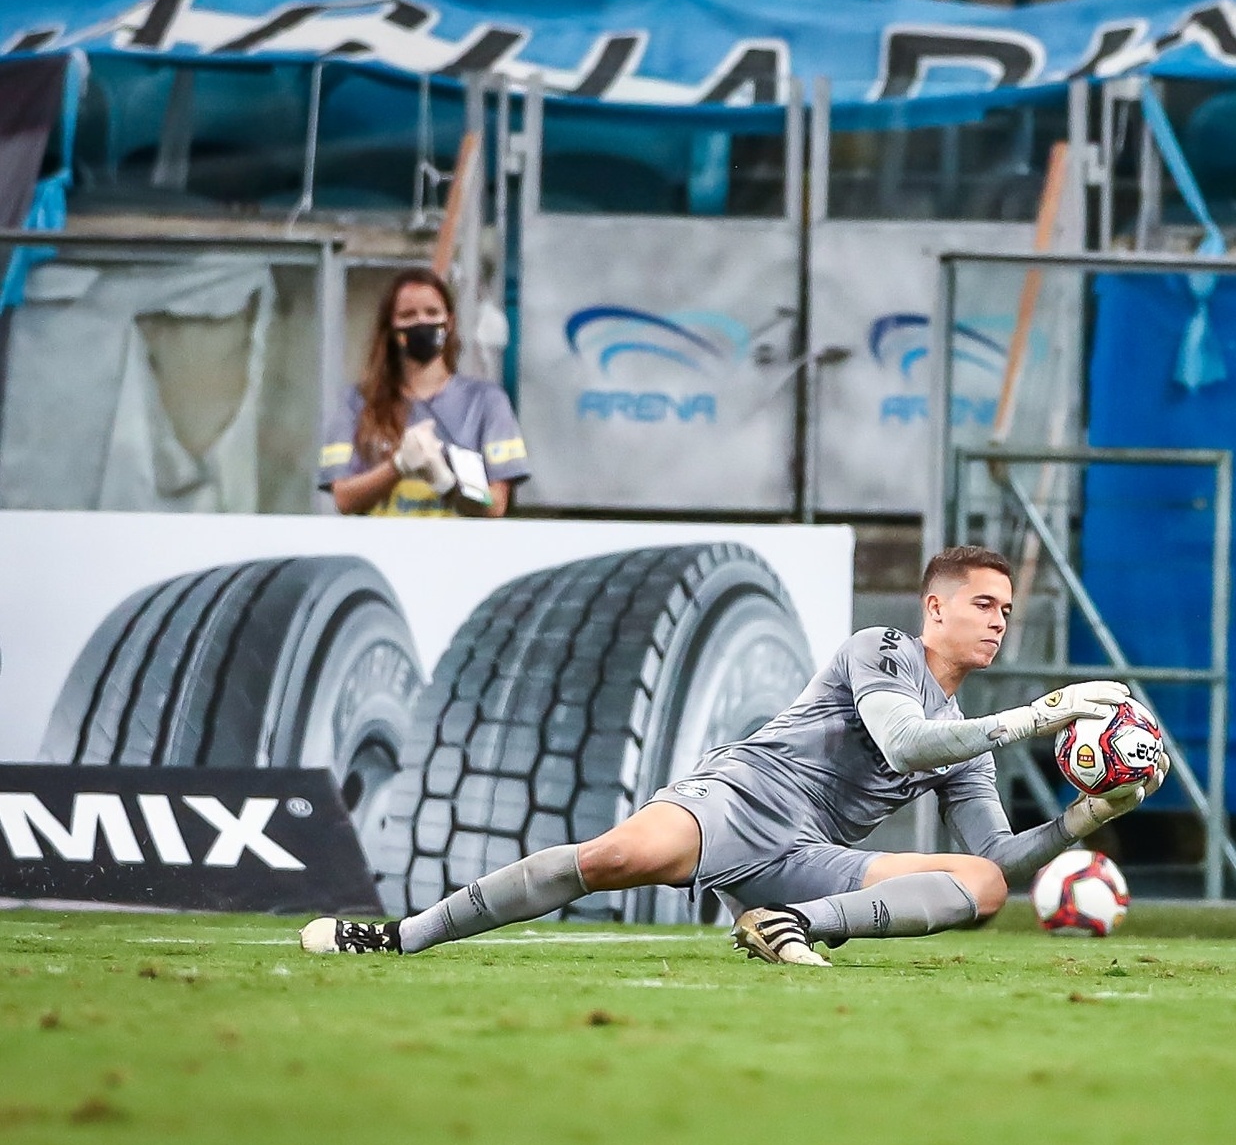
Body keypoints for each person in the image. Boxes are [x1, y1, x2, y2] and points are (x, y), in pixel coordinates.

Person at [301, 545, 1168, 965]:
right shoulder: (883, 648)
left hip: (807, 860)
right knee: (614, 856)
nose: (996, 620)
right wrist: (1043, 712)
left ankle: (785, 927)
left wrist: (1084, 817)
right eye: (982, 603)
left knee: (979, 889)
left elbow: (994, 859)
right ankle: (398, 936)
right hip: (742, 796)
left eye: (1006, 611)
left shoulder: (968, 743)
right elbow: (905, 737)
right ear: (933, 608)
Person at [319, 268, 529, 517]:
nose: (422, 322)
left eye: (432, 312)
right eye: (408, 315)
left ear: (449, 322)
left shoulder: (485, 401)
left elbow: (495, 504)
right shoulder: (357, 402)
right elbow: (343, 498)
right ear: (391, 328)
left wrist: (449, 483)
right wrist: (398, 466)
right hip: (381, 551)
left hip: (456, 552)